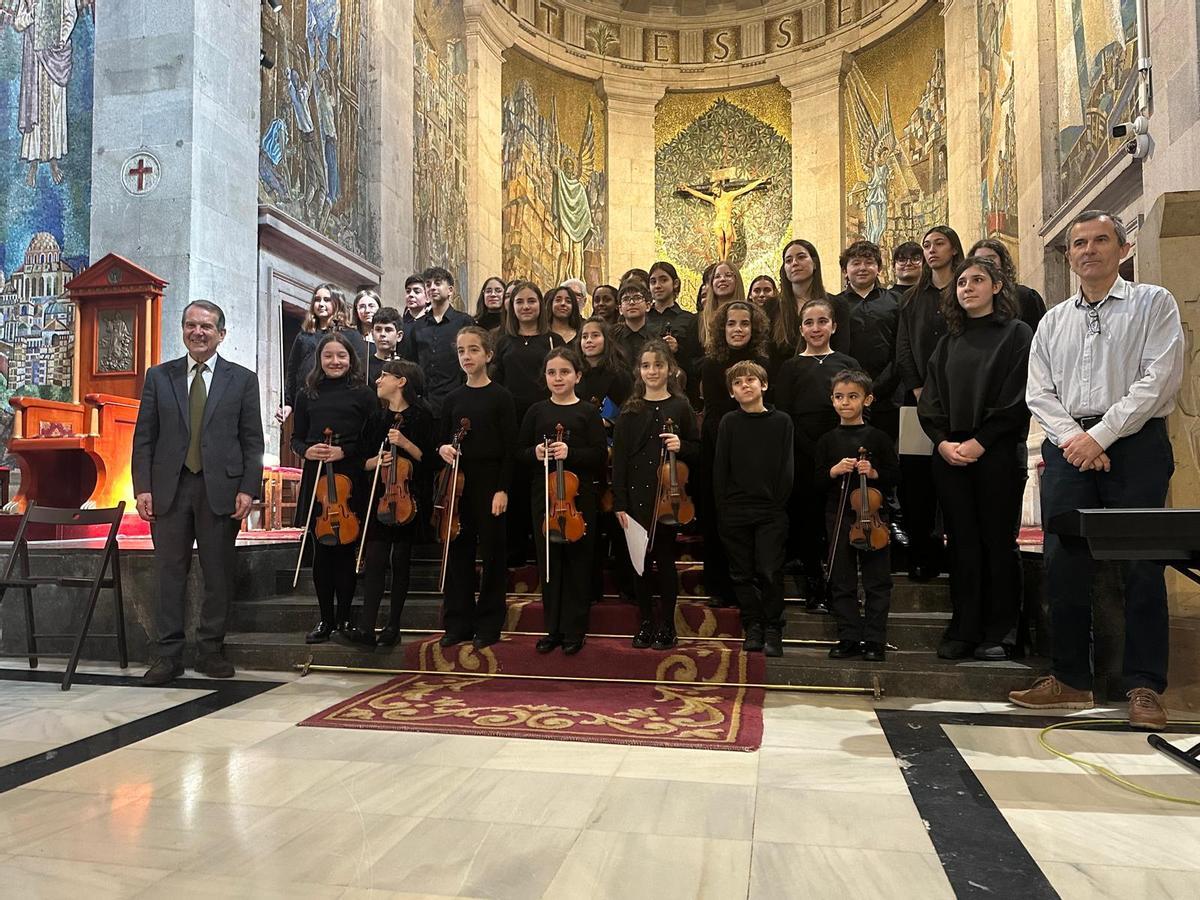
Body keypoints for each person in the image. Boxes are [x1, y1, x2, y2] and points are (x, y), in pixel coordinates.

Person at [1010, 210, 1185, 730]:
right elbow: (1038, 390)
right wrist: (1074, 440)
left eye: (1100, 240)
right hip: (1069, 447)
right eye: (1079, 243)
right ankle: (1069, 679)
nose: (1089, 250)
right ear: (1069, 255)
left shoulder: (1153, 304)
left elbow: (1159, 379)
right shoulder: (1053, 320)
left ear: (1122, 248)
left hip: (1134, 445)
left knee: (1142, 566)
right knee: (1064, 563)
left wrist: (1101, 436)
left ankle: (1144, 686)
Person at [132, 301, 264, 684]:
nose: (198, 332)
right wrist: (143, 488)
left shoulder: (242, 379)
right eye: (191, 325)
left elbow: (252, 440)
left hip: (220, 489)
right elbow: (145, 438)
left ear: (221, 333)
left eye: (206, 326)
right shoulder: (159, 377)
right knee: (169, 573)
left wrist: (247, 489)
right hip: (170, 490)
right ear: (183, 330)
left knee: (217, 573)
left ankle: (210, 650)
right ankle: (168, 656)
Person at [918, 257, 1032, 661]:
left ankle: (1001, 631)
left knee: (997, 543)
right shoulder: (948, 340)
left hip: (997, 451)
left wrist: (982, 441)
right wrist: (943, 442)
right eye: (962, 282)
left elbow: (1018, 396)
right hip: (951, 454)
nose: (967, 288)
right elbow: (930, 398)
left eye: (977, 280)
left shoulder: (1017, 335)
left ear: (997, 287)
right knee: (962, 543)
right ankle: (964, 627)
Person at [612, 340, 699, 651]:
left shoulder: (680, 407)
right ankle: (646, 620)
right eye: (647, 366)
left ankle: (668, 624)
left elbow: (698, 448)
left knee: (664, 559)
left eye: (658, 366)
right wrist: (620, 502)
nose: (652, 371)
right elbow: (619, 460)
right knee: (640, 563)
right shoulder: (630, 411)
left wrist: (682, 446)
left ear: (670, 369)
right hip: (636, 497)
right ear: (639, 370)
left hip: (668, 497)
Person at [292, 333, 378, 644]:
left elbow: (373, 438)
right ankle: (325, 619)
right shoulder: (307, 394)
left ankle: (345, 619)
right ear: (319, 360)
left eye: (341, 356)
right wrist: (307, 451)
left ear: (351, 359)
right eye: (328, 356)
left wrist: (347, 451)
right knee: (322, 552)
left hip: (349, 475)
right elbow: (297, 438)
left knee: (345, 552)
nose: (335, 361)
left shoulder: (364, 394)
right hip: (318, 480)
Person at [519, 347, 607, 654]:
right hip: (543, 497)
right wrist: (536, 453)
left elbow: (599, 455)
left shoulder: (587, 412)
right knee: (549, 564)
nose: (558, 378)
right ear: (545, 377)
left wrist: (572, 454)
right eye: (552, 372)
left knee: (578, 565)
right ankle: (552, 629)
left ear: (578, 376)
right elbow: (520, 452)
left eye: (565, 372)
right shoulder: (536, 412)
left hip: (579, 498)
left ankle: (574, 630)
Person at [774, 298, 860, 611]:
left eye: (822, 321)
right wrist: (810, 450)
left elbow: (856, 408)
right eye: (809, 323)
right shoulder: (791, 367)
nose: (816, 328)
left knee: (839, 521)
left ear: (834, 326)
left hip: (841, 447)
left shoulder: (847, 364)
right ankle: (815, 587)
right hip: (803, 452)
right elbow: (784, 415)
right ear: (801, 329)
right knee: (808, 522)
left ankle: (843, 588)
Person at [342, 359, 434, 648]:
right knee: (376, 558)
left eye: (384, 375)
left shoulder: (423, 416)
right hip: (380, 497)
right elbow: (360, 460)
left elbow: (430, 460)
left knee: (400, 560)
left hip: (410, 498)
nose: (378, 380)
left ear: (401, 381)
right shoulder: (377, 418)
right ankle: (367, 626)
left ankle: (393, 625)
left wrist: (405, 444)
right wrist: (376, 461)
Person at [437, 326, 518, 649]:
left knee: (493, 554)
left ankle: (489, 622)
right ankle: (458, 621)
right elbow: (441, 439)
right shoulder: (453, 398)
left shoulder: (501, 396)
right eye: (461, 351)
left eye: (473, 350)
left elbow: (510, 449)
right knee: (459, 551)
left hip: (490, 482)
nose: (466, 356)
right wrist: (442, 448)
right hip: (459, 483)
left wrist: (502, 489)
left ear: (488, 354)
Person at [815, 369, 899, 662]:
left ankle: (874, 639)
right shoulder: (827, 440)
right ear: (832, 400)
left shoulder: (878, 438)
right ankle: (848, 635)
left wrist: (874, 472)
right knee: (842, 578)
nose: (845, 403)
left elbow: (894, 475)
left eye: (853, 397)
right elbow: (814, 481)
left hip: (874, 517)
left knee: (877, 579)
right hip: (838, 514)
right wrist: (833, 471)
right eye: (839, 397)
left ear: (868, 399)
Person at [896, 225, 964, 580]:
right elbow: (904, 348)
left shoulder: (965, 291)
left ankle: (957, 554)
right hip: (918, 403)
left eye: (939, 244)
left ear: (954, 249)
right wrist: (918, 388)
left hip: (961, 400)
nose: (931, 250)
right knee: (917, 482)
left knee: (954, 478)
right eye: (926, 245)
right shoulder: (911, 299)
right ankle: (923, 554)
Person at [714, 360, 794, 656]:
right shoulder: (729, 422)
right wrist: (723, 507)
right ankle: (753, 624)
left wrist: (777, 503)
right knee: (741, 573)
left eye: (750, 380)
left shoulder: (781, 421)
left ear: (764, 385)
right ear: (732, 393)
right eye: (737, 383)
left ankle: (773, 626)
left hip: (770, 510)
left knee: (770, 569)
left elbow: (787, 467)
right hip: (735, 509)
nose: (744, 385)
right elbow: (721, 468)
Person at [698, 299, 771, 610]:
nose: (738, 329)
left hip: (756, 448)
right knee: (717, 517)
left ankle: (752, 583)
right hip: (718, 448)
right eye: (731, 323)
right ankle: (719, 583)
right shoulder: (711, 364)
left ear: (753, 328)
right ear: (721, 328)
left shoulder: (765, 361)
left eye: (744, 323)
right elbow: (714, 412)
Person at [494, 281, 566, 567]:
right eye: (520, 301)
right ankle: (514, 550)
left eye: (531, 301)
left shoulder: (553, 341)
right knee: (514, 482)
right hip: (511, 418)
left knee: (541, 484)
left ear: (540, 305)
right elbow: (497, 382)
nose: (526, 307)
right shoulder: (503, 342)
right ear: (512, 306)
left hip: (543, 417)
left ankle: (541, 547)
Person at [579, 316, 634, 605]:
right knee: (588, 522)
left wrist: (608, 424)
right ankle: (590, 586)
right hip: (583, 457)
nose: (588, 341)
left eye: (595, 336)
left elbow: (629, 413)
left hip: (613, 456)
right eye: (584, 336)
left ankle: (627, 582)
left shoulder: (620, 375)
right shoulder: (574, 373)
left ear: (606, 340)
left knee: (615, 520)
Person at [277, 283, 367, 424]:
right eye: (317, 300)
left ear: (338, 302)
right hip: (306, 400)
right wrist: (287, 402)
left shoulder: (350, 334)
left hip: (337, 401)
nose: (321, 304)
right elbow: (292, 370)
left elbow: (359, 369)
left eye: (326, 299)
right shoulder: (304, 335)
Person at [397, 266, 474, 418]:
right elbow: (410, 365)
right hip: (425, 402)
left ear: (450, 290)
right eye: (428, 284)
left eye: (438, 283)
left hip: (456, 399)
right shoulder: (417, 326)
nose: (432, 287)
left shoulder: (464, 321)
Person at [775, 239, 841, 365]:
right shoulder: (772, 306)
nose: (794, 263)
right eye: (788, 260)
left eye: (801, 257)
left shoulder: (837, 304)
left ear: (814, 263)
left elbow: (841, 351)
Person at [968, 238, 1046, 332]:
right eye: (979, 260)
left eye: (991, 258)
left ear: (1002, 262)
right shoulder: (971, 298)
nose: (985, 263)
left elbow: (1040, 335)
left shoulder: (1025, 296)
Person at [647, 261, 698, 380]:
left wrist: (677, 349)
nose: (657, 286)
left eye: (663, 280)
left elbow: (695, 359)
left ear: (675, 283)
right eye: (653, 282)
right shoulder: (643, 318)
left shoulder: (689, 319)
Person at [610, 280, 657, 369]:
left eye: (637, 298)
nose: (631, 302)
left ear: (648, 306)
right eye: (626, 299)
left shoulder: (657, 337)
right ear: (620, 309)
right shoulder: (611, 336)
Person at [367, 306, 403, 387]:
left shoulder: (406, 369)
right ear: (372, 334)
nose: (382, 334)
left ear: (399, 336)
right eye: (378, 329)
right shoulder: (364, 366)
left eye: (388, 330)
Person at [547, 284, 584, 348]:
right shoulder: (542, 334)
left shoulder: (582, 335)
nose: (563, 303)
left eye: (568, 301)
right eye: (558, 300)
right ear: (551, 304)